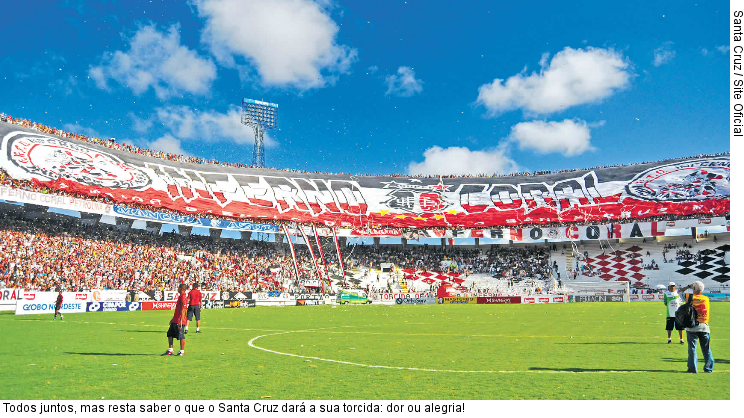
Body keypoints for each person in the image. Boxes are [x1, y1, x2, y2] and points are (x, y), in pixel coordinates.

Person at [678, 281, 714, 373]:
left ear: (694, 289)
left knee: (692, 348)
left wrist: (688, 286)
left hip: (692, 326)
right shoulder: (706, 298)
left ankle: (693, 368)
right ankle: (708, 368)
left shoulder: (690, 297)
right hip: (704, 326)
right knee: (706, 349)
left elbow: (680, 291)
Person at [162, 283, 189, 356]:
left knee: (181, 336)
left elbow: (183, 309)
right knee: (169, 334)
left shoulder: (183, 297)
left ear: (182, 289)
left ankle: (182, 351)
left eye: (179, 288)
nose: (178, 289)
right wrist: (173, 319)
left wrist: (181, 320)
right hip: (175, 320)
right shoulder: (180, 296)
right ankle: (170, 350)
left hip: (180, 320)